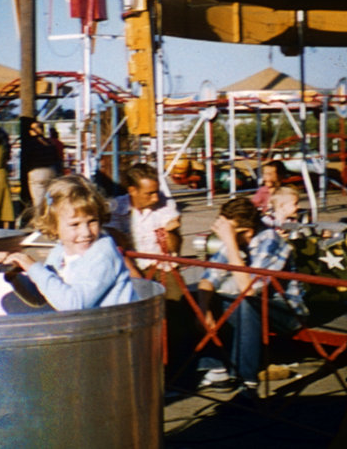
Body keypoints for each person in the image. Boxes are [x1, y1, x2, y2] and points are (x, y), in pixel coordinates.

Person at [197, 197, 308, 396]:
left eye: (228, 231)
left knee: (247, 302)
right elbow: (208, 279)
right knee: (203, 296)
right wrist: (204, 310)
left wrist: (230, 243)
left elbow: (248, 289)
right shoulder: (236, 238)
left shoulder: (271, 241)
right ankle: (218, 370)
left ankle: (247, 383)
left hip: (287, 311)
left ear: (246, 231)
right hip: (255, 305)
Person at [0, 174, 137, 311]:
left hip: (116, 331)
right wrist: (13, 271)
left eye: (92, 221)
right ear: (54, 226)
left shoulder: (103, 254)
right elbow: (42, 297)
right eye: (75, 224)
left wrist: (32, 266)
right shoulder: (60, 251)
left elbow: (73, 305)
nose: (86, 232)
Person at [106, 163, 182, 277]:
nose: (155, 198)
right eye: (149, 194)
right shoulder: (116, 208)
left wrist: (171, 232)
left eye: (156, 192)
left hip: (162, 267)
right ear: (132, 190)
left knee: (177, 294)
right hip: (128, 267)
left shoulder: (166, 204)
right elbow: (116, 246)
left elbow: (173, 248)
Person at [26, 120, 59, 209]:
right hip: (51, 171)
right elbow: (56, 157)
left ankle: (40, 218)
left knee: (38, 201)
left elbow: (27, 158)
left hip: (36, 172)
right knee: (50, 199)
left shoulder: (30, 144)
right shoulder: (49, 142)